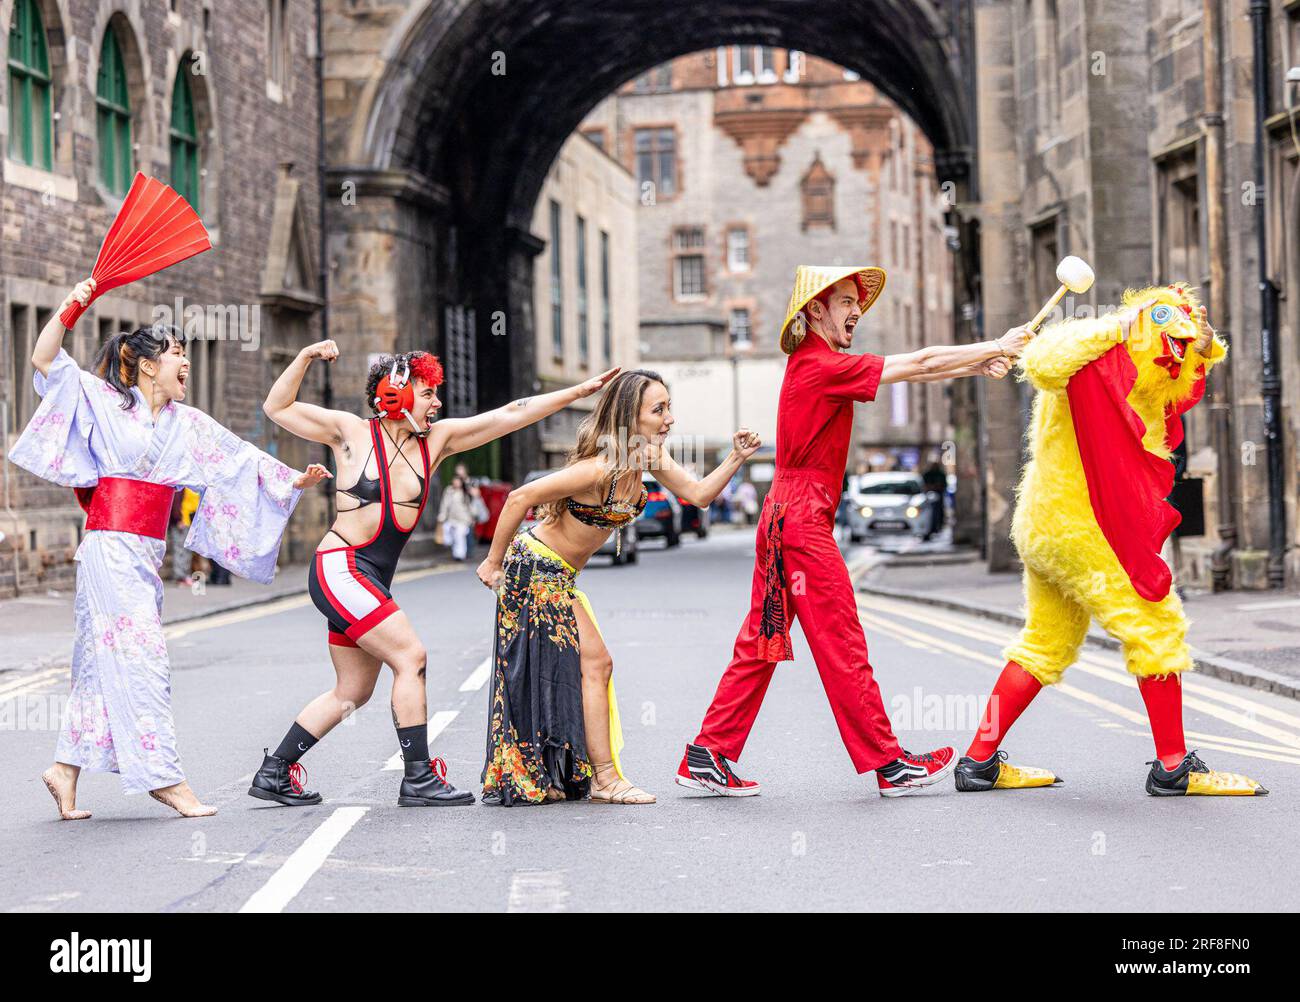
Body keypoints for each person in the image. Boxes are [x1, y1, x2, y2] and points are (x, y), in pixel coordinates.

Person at [679, 265, 1028, 798]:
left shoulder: (817, 365)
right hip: (800, 521)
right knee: (840, 639)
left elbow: (914, 371)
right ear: (814, 310)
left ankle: (710, 752)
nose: (856, 311)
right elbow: (920, 361)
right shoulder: (821, 365)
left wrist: (981, 362)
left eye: (856, 303)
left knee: (762, 638)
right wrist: (995, 343)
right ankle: (888, 763)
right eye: (844, 301)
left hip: (782, 516)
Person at [247, 339, 618, 807]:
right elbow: (277, 406)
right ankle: (418, 776)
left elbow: (509, 414)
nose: (437, 403)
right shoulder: (348, 432)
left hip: (368, 579)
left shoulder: (437, 442)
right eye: (427, 393)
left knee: (353, 691)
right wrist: (303, 357)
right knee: (411, 657)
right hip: (339, 568)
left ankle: (275, 771)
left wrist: (576, 391)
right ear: (394, 395)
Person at [9, 278, 328, 820]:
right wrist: (75, 304)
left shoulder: (186, 424)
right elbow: (46, 359)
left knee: (94, 663)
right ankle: (165, 778)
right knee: (143, 659)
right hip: (109, 546)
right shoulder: (105, 401)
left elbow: (238, 459)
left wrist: (292, 482)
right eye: (179, 354)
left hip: (143, 554)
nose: (186, 365)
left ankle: (64, 771)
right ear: (147, 365)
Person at [953, 284, 1266, 797]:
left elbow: (1182, 386)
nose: (1178, 358)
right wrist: (1124, 325)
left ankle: (979, 761)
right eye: (1173, 343)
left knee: (1044, 642)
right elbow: (1043, 361)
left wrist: (1207, 346)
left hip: (1049, 529)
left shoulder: (1145, 381)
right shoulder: (1097, 347)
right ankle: (1172, 767)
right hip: (1086, 528)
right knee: (1155, 625)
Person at [476, 370, 761, 806]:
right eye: (658, 410)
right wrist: (492, 563)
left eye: (669, 407)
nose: (669, 419)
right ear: (632, 416)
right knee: (597, 664)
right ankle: (605, 780)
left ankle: (556, 775)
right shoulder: (601, 467)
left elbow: (700, 495)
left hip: (559, 575)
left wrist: (736, 458)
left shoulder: (645, 460)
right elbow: (519, 498)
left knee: (568, 671)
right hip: (534, 568)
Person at [437, 474, 487, 561]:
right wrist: (442, 515)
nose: (456, 483)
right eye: (454, 480)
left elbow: (471, 505)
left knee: (459, 537)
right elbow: (444, 504)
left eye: (458, 481)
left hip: (463, 520)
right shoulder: (449, 491)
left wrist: (473, 516)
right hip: (451, 519)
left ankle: (459, 555)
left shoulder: (465, 492)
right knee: (448, 537)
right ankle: (456, 552)